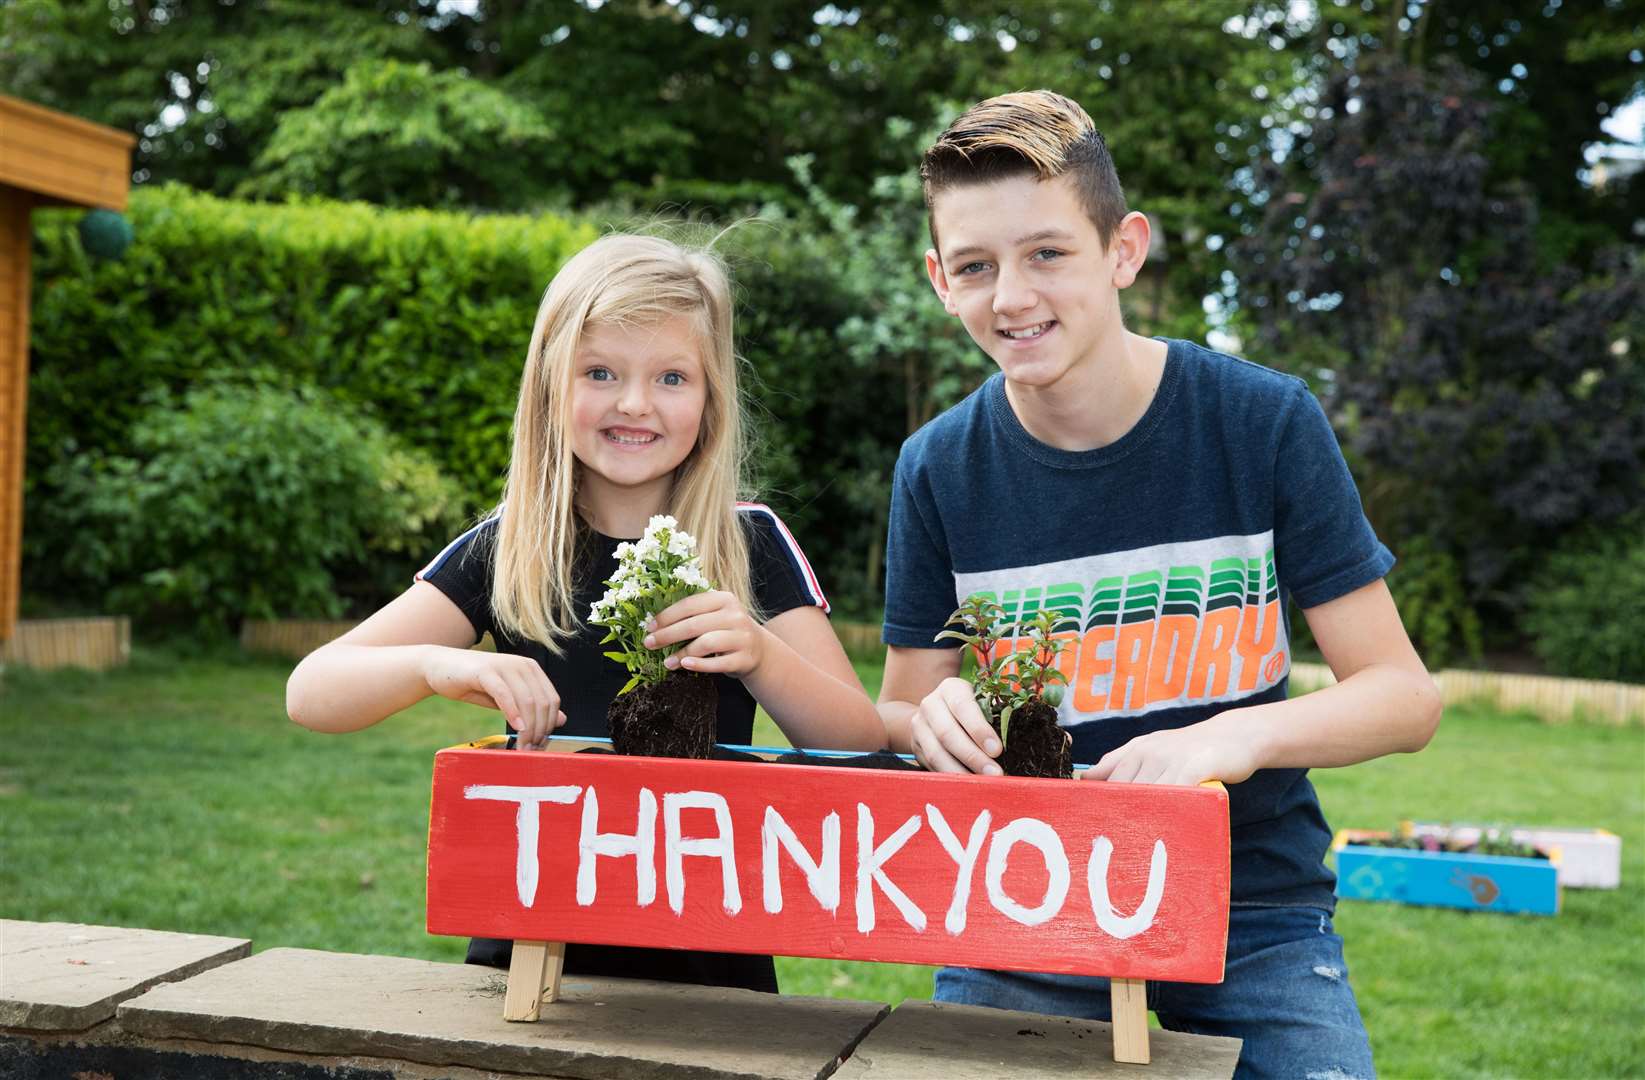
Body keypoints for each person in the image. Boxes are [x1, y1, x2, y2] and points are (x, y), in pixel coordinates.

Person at [875, 90, 1442, 1078]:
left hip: (1250, 913)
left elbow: (1403, 697)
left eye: (1046, 252)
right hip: (1023, 903)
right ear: (938, 279)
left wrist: (1230, 739)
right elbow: (903, 702)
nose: (1009, 295)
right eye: (974, 266)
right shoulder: (937, 468)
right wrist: (934, 717)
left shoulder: (1260, 422)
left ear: (1123, 251)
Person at [287, 232, 885, 994]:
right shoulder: (510, 548)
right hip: (532, 960)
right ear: (548, 387)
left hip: (711, 964)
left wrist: (762, 655)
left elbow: (858, 746)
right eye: (599, 372)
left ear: (710, 400)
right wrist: (439, 664)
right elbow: (310, 693)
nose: (635, 403)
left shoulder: (747, 543)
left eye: (671, 376)